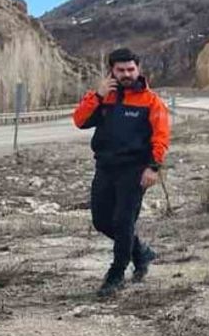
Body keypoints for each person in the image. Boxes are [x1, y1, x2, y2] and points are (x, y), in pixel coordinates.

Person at [72, 48, 171, 297]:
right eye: (121, 70)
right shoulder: (103, 97)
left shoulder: (151, 101)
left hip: (135, 170)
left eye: (130, 69)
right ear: (112, 71)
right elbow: (80, 121)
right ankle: (140, 252)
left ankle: (116, 274)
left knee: (123, 221)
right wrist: (98, 94)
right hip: (105, 167)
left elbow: (161, 137)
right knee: (101, 221)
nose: (126, 74)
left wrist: (153, 167)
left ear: (138, 69)